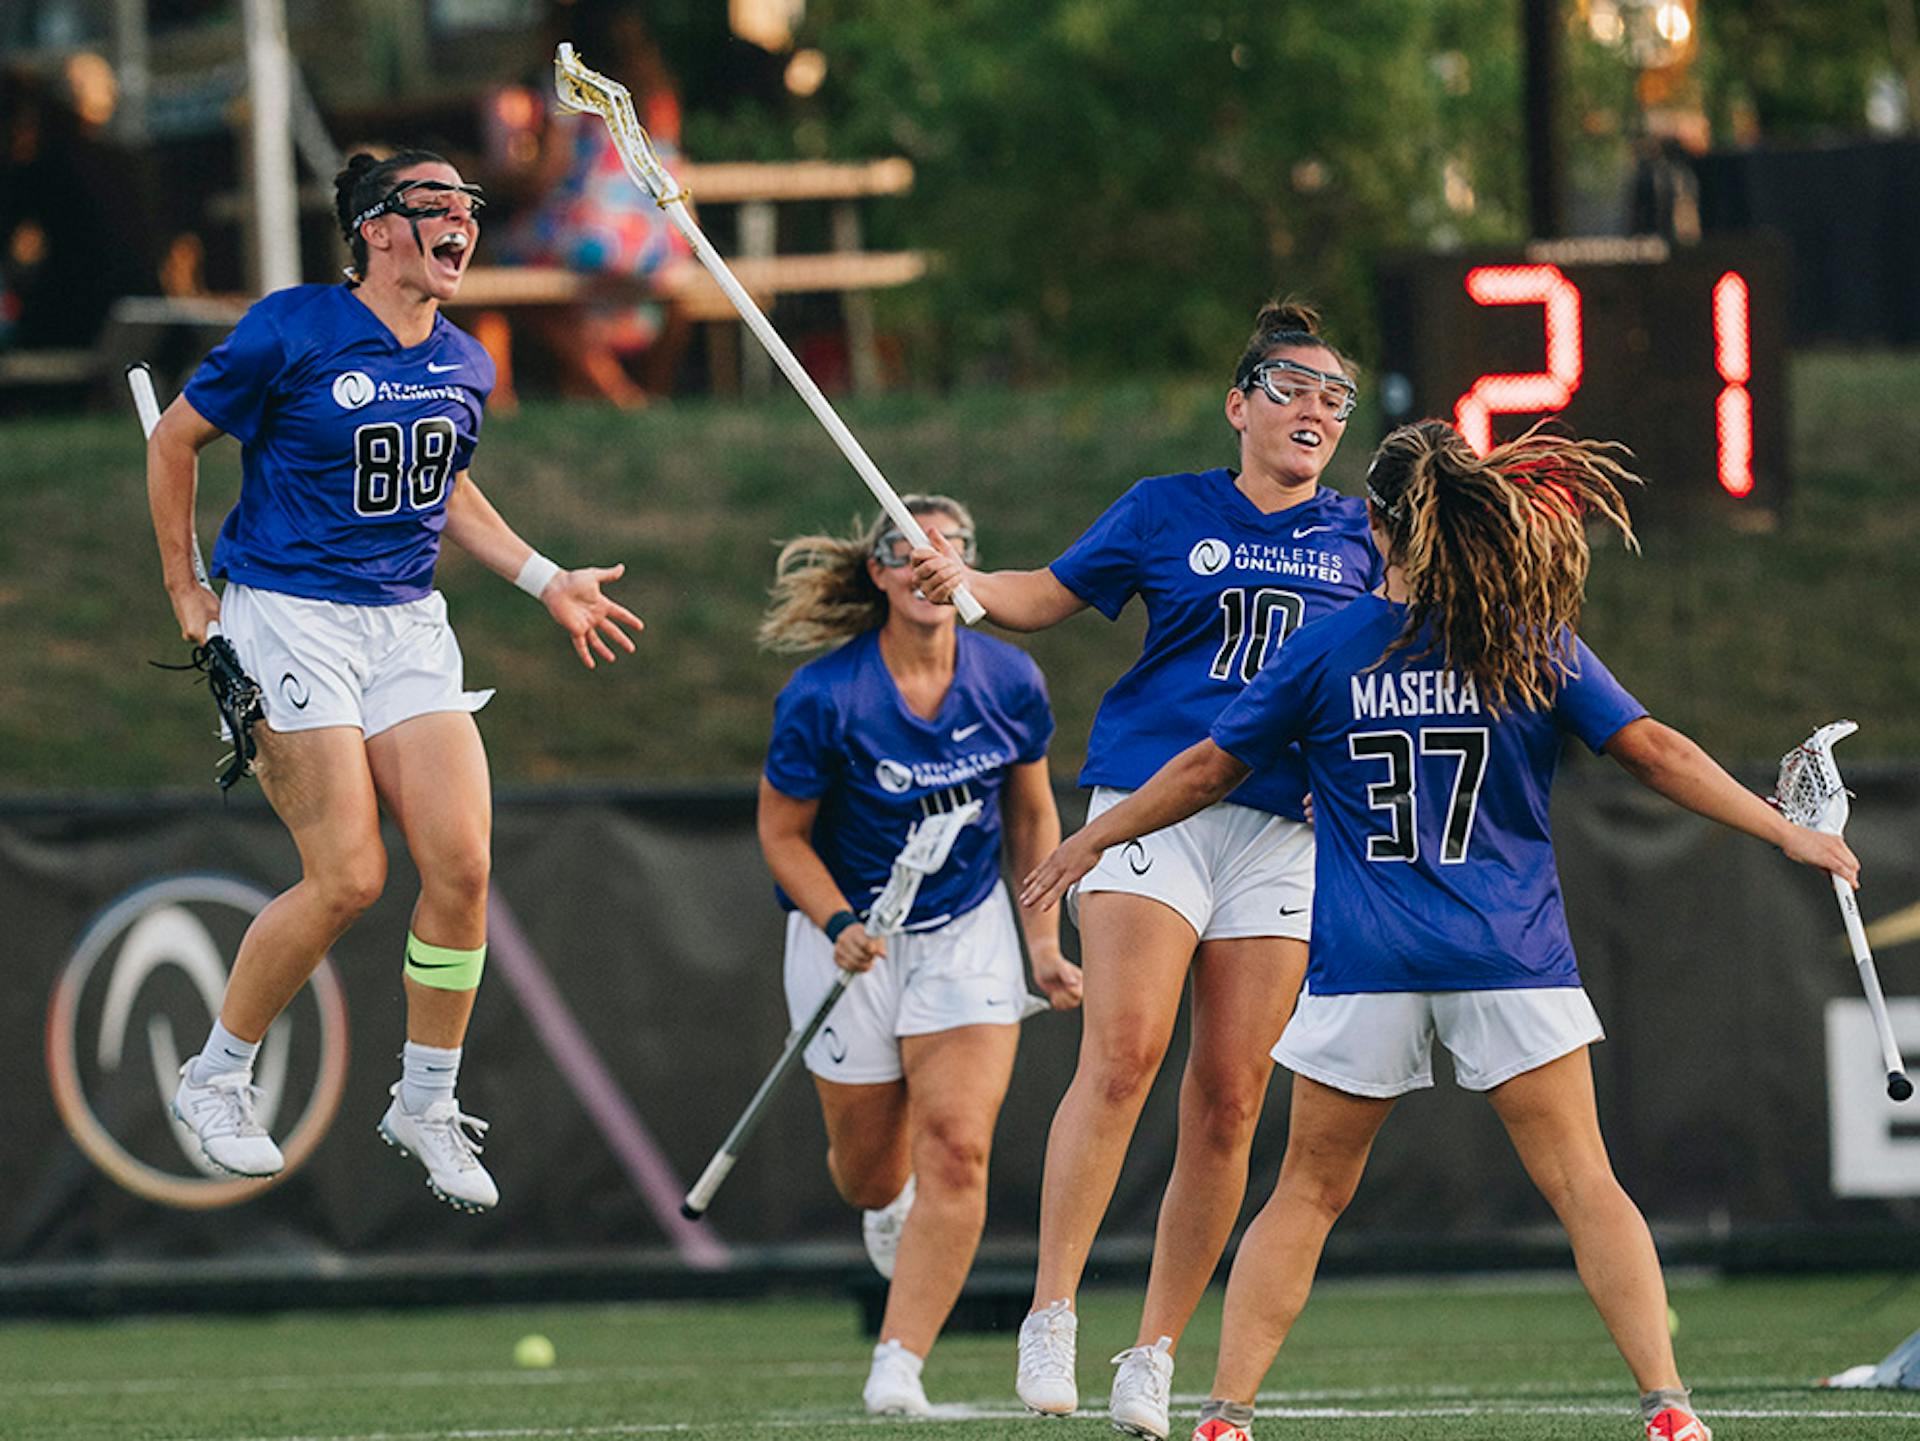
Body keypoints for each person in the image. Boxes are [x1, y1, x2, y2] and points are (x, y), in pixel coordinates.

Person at [1020, 418, 1861, 1441]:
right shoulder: (1523, 635)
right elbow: (1653, 750)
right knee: (1586, 1185)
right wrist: (1783, 831)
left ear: (1372, 525)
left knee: (1308, 1192)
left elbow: (1205, 768)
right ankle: (1669, 1406)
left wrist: (1092, 837)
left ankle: (1226, 1413)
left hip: (1368, 960)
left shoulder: (1325, 646)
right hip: (1508, 953)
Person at [911, 300, 1380, 1435]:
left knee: (1230, 1099)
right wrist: (962, 584)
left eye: (1335, 395)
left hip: (1281, 829)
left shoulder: (1368, 537)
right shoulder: (1166, 509)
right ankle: (1055, 1307)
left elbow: (1402, 653)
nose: (1316, 406)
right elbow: (1043, 597)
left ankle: (1156, 1348)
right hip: (1147, 808)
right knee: (1125, 1052)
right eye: (1292, 387)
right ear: (1239, 405)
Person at [148, 148, 644, 1212]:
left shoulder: (467, 360)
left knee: (461, 864)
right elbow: (175, 442)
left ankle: (425, 1098)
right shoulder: (291, 328)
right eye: (436, 205)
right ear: (376, 228)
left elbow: (445, 489)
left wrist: (546, 578)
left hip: (406, 623)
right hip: (287, 611)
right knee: (349, 876)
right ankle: (216, 1075)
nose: (462, 221)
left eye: (469, 205)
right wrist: (189, 590)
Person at [757, 495, 1080, 1416]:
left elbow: (1029, 813)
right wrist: (833, 920)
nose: (930, 566)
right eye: (908, 550)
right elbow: (782, 834)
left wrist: (1043, 945)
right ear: (882, 574)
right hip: (850, 940)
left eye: (953, 550)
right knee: (868, 1170)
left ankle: (899, 1361)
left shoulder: (1009, 679)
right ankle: (888, 1209)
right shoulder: (825, 695)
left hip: (966, 929)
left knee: (957, 1147)